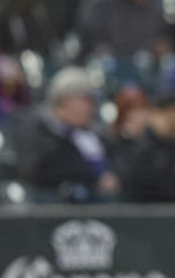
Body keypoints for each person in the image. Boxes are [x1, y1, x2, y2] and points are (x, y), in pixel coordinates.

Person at [15, 66, 120, 203]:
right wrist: (94, 177)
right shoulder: (37, 130)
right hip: (54, 208)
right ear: (66, 100)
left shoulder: (92, 133)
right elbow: (35, 170)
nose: (91, 107)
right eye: (86, 100)